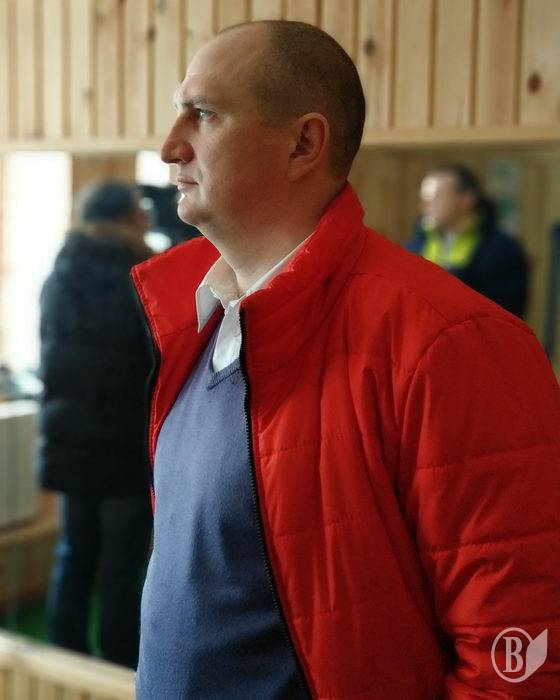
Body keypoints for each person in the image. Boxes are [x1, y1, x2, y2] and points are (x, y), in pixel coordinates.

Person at [132, 20, 560, 699]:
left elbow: (519, 655)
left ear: (304, 143)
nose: (168, 147)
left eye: (204, 114)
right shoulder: (198, 320)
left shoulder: (449, 342)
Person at [38, 181, 154, 669]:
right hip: (122, 445)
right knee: (122, 570)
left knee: (74, 555)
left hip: (69, 440)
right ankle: (118, 669)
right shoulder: (141, 276)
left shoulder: (60, 274)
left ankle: (63, 663)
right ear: (127, 218)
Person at [406, 164, 529, 317]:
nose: (426, 205)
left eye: (436, 197)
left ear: (467, 199)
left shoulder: (502, 249)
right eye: (424, 198)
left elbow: (505, 311)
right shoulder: (417, 243)